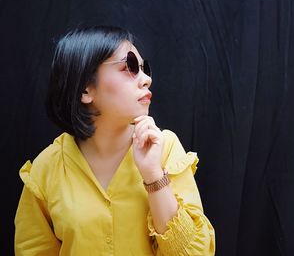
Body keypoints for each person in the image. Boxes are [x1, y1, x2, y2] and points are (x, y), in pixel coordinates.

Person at [14, 26, 215, 256]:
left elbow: (195, 253)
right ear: (85, 89)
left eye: (144, 68)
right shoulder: (47, 168)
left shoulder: (165, 148)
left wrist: (153, 175)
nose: (146, 79)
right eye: (129, 67)